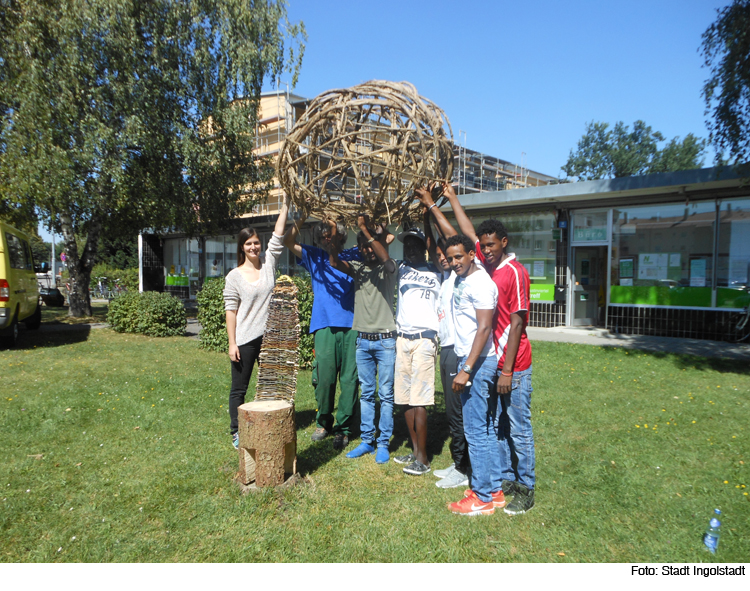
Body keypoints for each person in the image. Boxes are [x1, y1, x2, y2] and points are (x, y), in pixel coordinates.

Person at [445, 184, 536, 516]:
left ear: (504, 243)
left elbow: (517, 324)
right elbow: (467, 233)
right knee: (496, 425)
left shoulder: (513, 272)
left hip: (514, 361)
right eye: (483, 247)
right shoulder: (485, 267)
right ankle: (504, 481)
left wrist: (509, 370)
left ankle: (526, 488)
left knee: (518, 426)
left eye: (491, 245)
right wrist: (450, 197)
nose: (486, 250)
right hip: (494, 359)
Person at [282, 215, 361, 450]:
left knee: (349, 380)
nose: (328, 237)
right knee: (324, 379)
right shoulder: (314, 256)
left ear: (341, 236)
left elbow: (386, 238)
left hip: (352, 326)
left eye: (332, 233)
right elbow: (287, 241)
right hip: (323, 326)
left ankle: (344, 428)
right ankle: (323, 422)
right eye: (324, 234)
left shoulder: (354, 255)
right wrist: (303, 217)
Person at [328, 215, 398, 465]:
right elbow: (334, 261)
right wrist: (335, 233)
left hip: (386, 342)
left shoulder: (390, 268)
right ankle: (367, 441)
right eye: (363, 246)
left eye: (371, 245)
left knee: (386, 394)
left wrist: (365, 230)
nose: (368, 250)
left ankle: (383, 443)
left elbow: (386, 261)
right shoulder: (358, 269)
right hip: (363, 342)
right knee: (367, 393)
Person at [415, 185, 471, 489]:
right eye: (441, 256)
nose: (444, 259)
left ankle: (464, 469)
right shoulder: (445, 278)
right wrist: (427, 215)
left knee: (458, 413)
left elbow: (451, 239)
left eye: (448, 256)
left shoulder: (459, 275)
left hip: (457, 350)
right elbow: (435, 243)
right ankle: (460, 462)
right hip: (446, 350)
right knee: (453, 413)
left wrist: (438, 204)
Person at [224, 196, 290, 449]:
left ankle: (269, 423)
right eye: (248, 244)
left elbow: (278, 235)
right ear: (242, 247)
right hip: (246, 338)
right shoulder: (234, 277)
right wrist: (232, 343)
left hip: (270, 337)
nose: (254, 247)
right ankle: (236, 432)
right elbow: (231, 311)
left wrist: (286, 205)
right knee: (239, 388)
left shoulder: (268, 265)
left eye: (256, 243)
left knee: (271, 385)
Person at [442, 234, 501, 515]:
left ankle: (482, 498)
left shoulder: (481, 283)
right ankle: (492, 488)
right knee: (485, 429)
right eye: (450, 257)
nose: (454, 262)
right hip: (471, 358)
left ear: (472, 255)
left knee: (476, 431)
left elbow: (485, 328)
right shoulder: (464, 279)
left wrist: (466, 369)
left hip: (477, 362)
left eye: (459, 257)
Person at [391, 223, 442, 476]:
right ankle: (414, 451)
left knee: (420, 399)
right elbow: (381, 254)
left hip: (424, 339)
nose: (410, 249)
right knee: (405, 399)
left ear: (424, 248)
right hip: (402, 339)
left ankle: (423, 459)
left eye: (416, 245)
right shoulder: (401, 269)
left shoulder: (437, 269)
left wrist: (425, 213)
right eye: (407, 245)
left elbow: (434, 245)